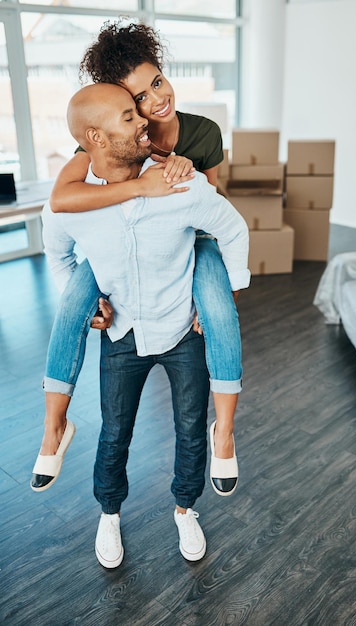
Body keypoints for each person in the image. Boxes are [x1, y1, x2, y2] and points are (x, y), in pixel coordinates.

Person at [31, 20, 244, 498]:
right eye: (136, 103)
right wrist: (142, 184)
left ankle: (224, 433)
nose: (153, 103)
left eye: (157, 82)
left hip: (197, 235)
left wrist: (180, 175)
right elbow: (63, 199)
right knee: (73, 303)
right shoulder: (109, 137)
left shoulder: (203, 132)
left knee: (220, 307)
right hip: (135, 251)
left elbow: (216, 208)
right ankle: (54, 424)